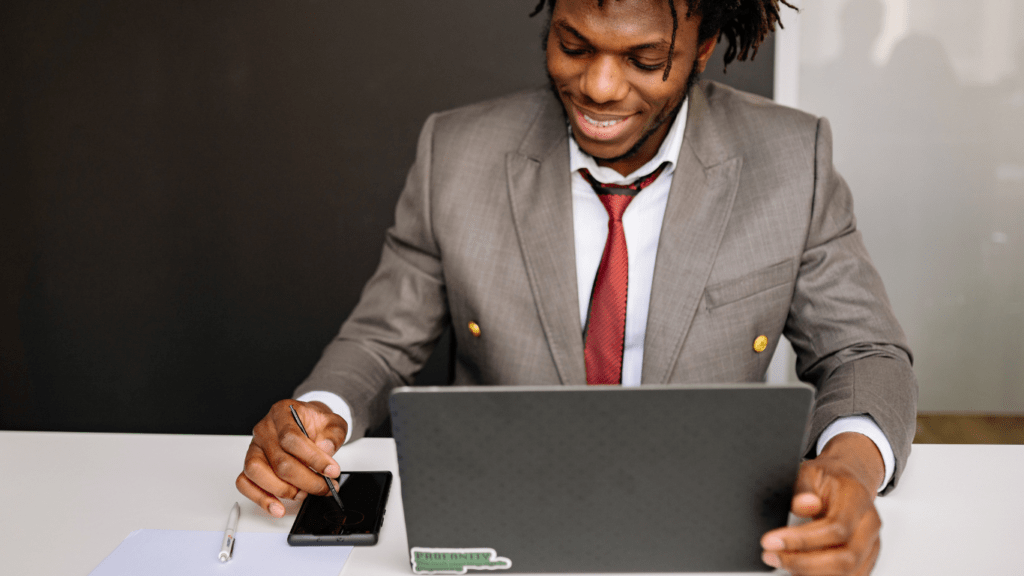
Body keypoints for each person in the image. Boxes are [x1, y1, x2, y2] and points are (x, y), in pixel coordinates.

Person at [237, 1, 917, 574]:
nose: (598, 86)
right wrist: (317, 413)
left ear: (704, 44)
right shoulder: (457, 151)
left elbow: (864, 354)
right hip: (505, 532)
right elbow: (383, 340)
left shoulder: (792, 159)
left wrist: (848, 470)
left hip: (708, 535)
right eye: (572, 45)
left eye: (644, 61)